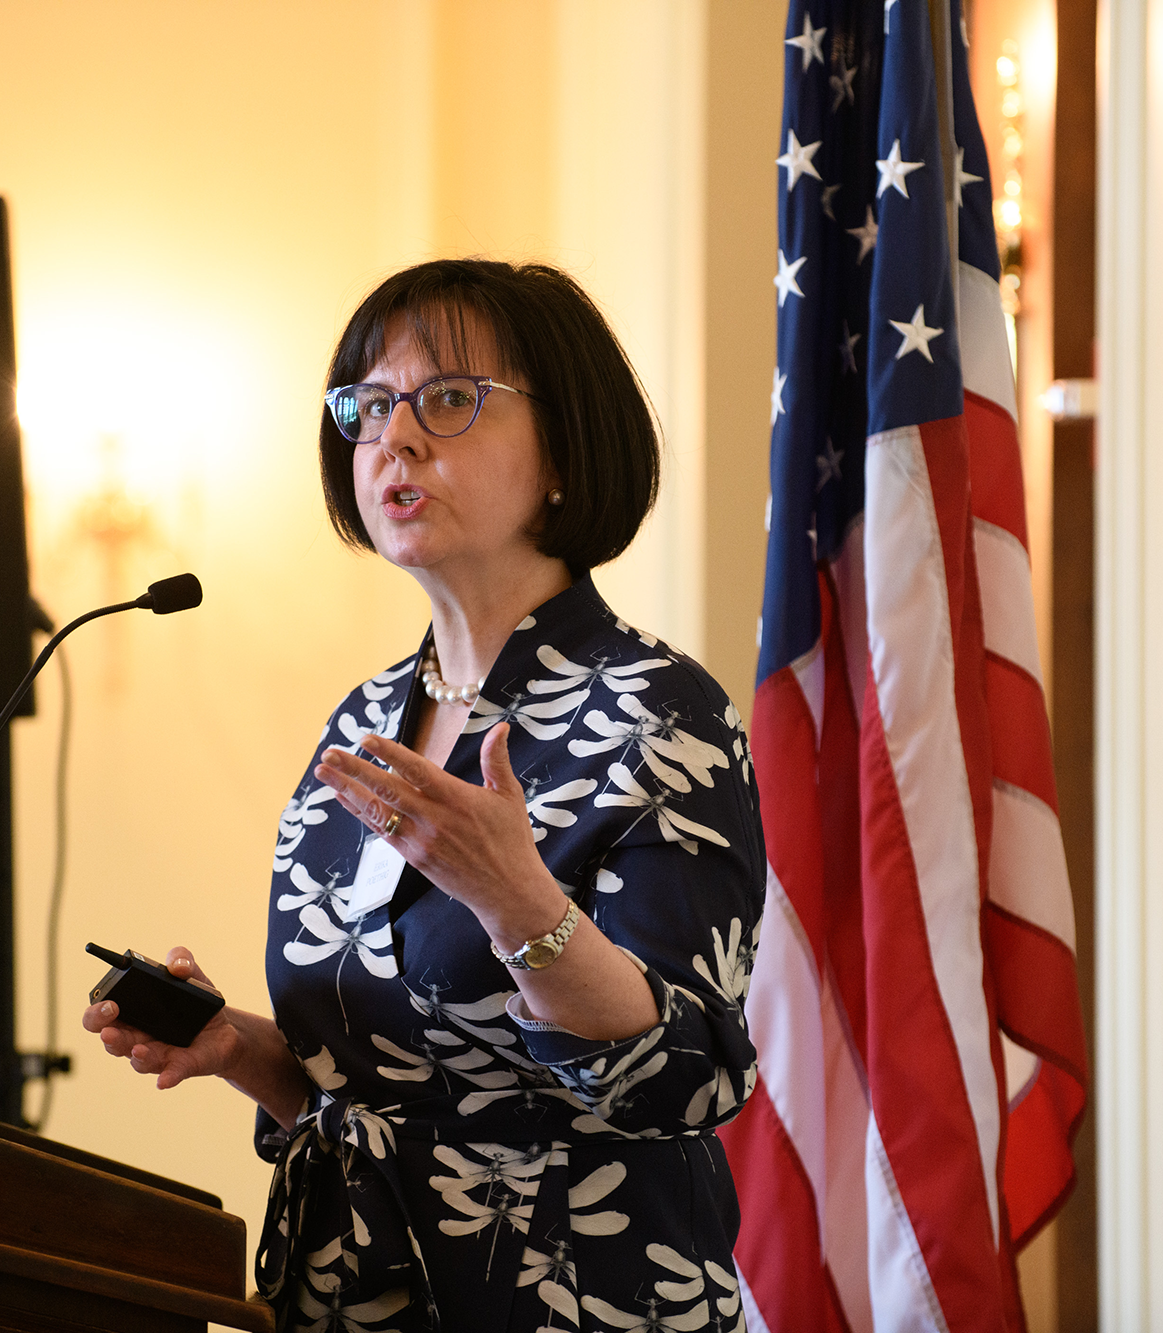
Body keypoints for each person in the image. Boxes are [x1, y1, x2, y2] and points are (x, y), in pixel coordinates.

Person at [84, 259, 765, 1333]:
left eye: (447, 399)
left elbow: (682, 1082)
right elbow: (390, 1086)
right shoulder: (362, 721)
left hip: (577, 1301)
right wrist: (244, 1051)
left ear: (562, 452)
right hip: (351, 1300)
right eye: (367, 405)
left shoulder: (660, 716)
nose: (393, 438)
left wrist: (518, 904)